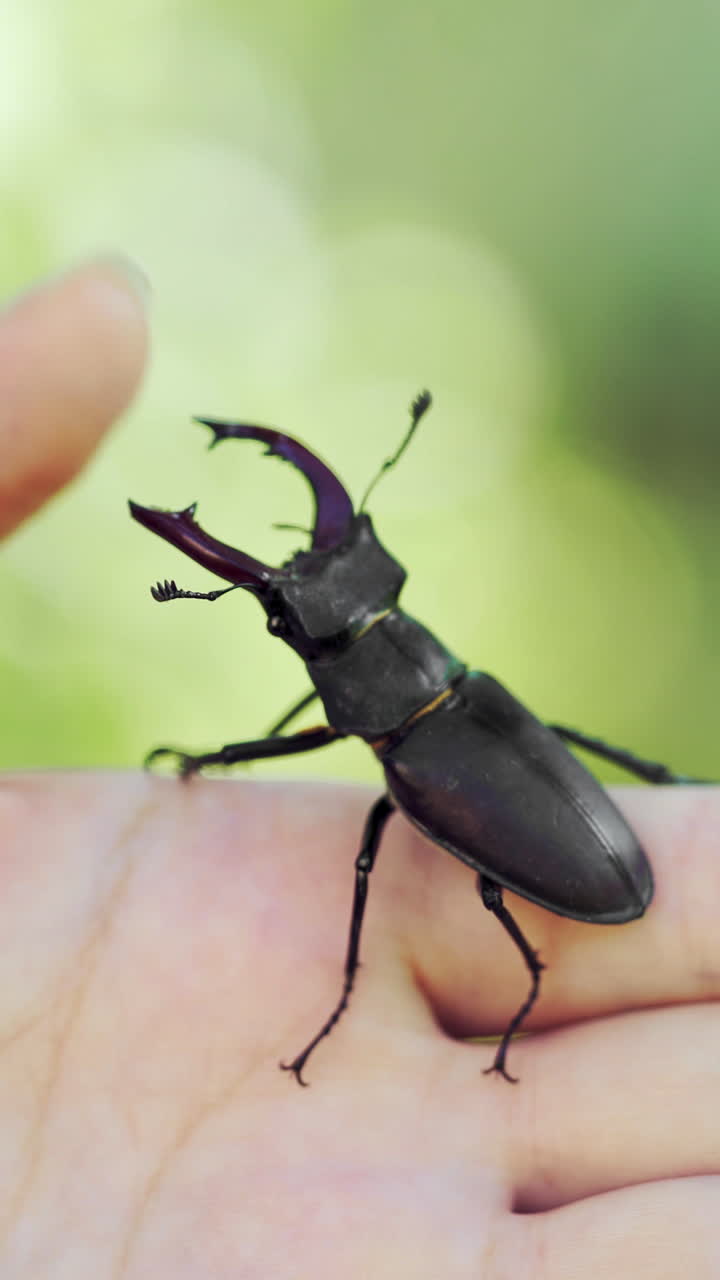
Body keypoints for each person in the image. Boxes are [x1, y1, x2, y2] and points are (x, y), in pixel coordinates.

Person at [0, 259, 716, 1275]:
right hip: (516, 774)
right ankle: (652, 781)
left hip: (550, 842)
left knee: (384, 862)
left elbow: (305, 731)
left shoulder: (410, 748)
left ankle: (554, 908)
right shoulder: (447, 704)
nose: (316, 590)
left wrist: (209, 759)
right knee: (512, 769)